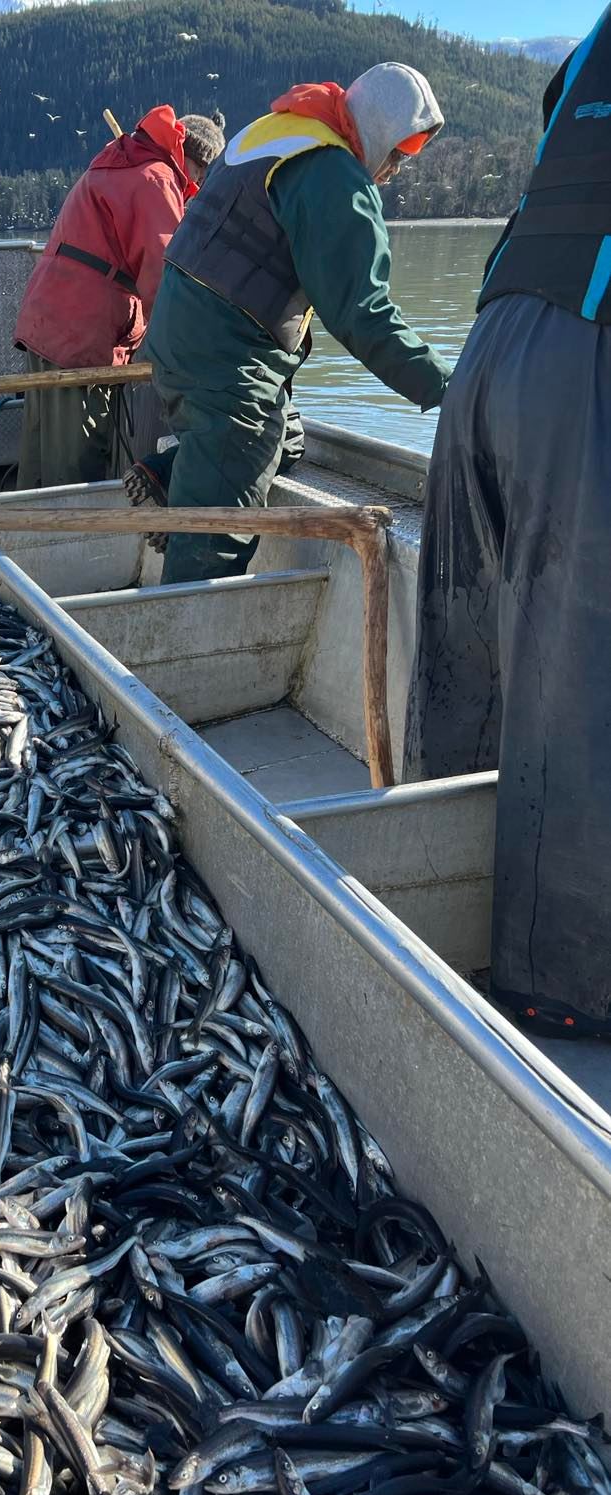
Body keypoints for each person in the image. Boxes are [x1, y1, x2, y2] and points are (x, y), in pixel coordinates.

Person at [404, 16, 611, 1039]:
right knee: (581, 685)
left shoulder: (589, 45)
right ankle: (563, 993)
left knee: (472, 657)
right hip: (584, 357)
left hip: (492, 348)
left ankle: (428, 927)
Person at [128, 64, 451, 583]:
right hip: (226, 366)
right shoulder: (333, 174)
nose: (397, 167)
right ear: (379, 130)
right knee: (215, 537)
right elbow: (363, 314)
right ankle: (181, 636)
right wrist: (449, 389)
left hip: (173, 340)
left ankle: (173, 475)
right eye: (403, 148)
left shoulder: (276, 131)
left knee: (288, 437)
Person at [13, 108, 225, 489]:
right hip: (80, 335)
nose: (198, 183)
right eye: (202, 175)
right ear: (196, 163)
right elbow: (166, 283)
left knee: (41, 450)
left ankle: (25, 537)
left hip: (48, 322)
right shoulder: (156, 180)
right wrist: (199, 356)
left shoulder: (123, 157)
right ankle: (76, 542)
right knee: (74, 461)